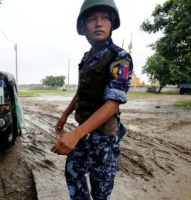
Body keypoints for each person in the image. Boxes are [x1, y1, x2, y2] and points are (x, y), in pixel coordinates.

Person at [51, 0, 133, 199]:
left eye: (105, 18)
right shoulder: (88, 57)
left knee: (100, 191)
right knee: (72, 171)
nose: (99, 23)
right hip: (85, 134)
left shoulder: (119, 57)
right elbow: (82, 90)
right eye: (92, 19)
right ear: (84, 27)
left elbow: (112, 104)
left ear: (112, 24)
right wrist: (65, 114)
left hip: (104, 138)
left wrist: (75, 134)